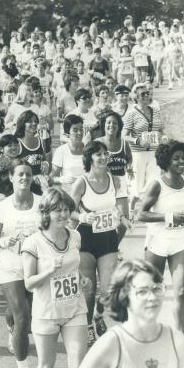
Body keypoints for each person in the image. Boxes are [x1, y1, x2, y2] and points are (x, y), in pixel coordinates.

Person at [67, 259, 184, 368]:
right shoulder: (111, 343)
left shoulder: (177, 340)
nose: (152, 297)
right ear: (124, 296)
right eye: (142, 292)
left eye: (156, 289)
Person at [22, 188, 89, 368]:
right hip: (46, 313)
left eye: (66, 209)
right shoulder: (33, 243)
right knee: (46, 367)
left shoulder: (75, 237)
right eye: (57, 210)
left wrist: (81, 279)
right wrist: (49, 271)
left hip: (74, 309)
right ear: (46, 213)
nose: (63, 214)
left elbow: (74, 267)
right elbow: (29, 283)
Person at [0, 159, 41, 368]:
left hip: (35, 267)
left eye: (28, 174)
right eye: (19, 174)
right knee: (23, 316)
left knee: (22, 316)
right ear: (11, 178)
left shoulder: (42, 204)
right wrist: (2, 241)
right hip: (10, 265)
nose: (24, 178)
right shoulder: (2, 207)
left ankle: (11, 323)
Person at [71, 141, 128, 347]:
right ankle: (87, 328)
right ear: (90, 158)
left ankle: (98, 314)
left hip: (108, 238)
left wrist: (123, 218)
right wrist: (82, 217)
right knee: (88, 289)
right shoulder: (81, 182)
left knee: (106, 292)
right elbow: (68, 209)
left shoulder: (115, 180)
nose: (103, 157)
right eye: (98, 154)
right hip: (86, 237)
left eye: (105, 154)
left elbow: (120, 208)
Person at [138, 141, 184, 334]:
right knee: (152, 292)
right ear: (166, 161)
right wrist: (169, 217)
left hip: (180, 242)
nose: (181, 162)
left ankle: (181, 340)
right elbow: (141, 214)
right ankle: (147, 333)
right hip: (157, 243)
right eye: (176, 158)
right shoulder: (157, 185)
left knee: (181, 291)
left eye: (183, 158)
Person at [123, 83, 163, 217]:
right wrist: (137, 140)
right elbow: (124, 135)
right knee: (137, 185)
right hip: (138, 153)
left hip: (154, 152)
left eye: (147, 93)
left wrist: (163, 138)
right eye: (142, 94)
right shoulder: (131, 114)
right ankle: (131, 207)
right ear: (136, 97)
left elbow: (160, 130)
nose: (146, 96)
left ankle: (150, 210)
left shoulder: (156, 110)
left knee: (154, 180)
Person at [51, 115, 85, 195]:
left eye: (81, 129)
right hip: (68, 193)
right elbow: (52, 178)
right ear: (67, 133)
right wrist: (61, 179)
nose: (79, 133)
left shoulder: (89, 150)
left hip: (86, 193)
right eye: (75, 130)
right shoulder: (61, 151)